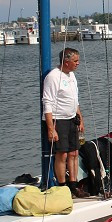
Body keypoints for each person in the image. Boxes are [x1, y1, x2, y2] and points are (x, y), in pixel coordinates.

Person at [42, 47, 86, 196]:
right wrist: (50, 128)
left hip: (72, 118)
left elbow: (74, 99)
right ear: (66, 62)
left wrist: (80, 118)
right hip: (58, 119)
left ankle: (73, 184)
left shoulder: (72, 76)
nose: (78, 63)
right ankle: (62, 186)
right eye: (75, 61)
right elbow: (47, 103)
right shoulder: (53, 77)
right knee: (62, 154)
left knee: (74, 152)